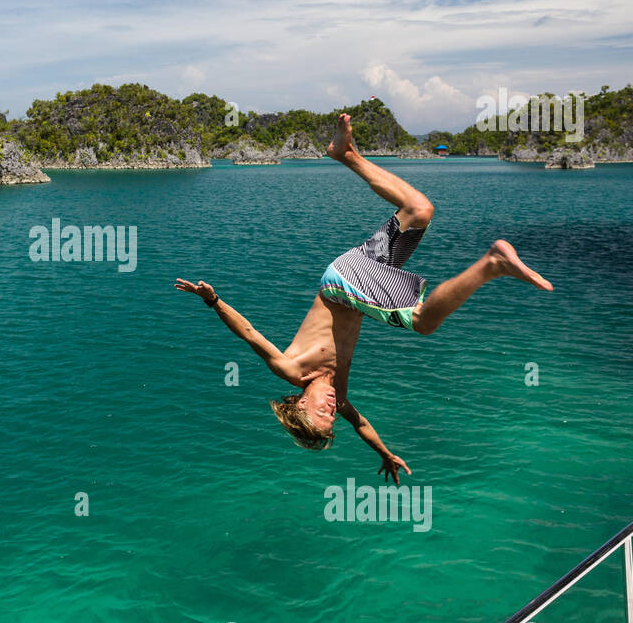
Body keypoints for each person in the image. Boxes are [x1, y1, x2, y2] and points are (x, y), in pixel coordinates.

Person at [175, 113, 553, 483]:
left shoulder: (292, 370)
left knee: (421, 322)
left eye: (320, 412)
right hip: (354, 270)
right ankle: (347, 155)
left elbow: (249, 333)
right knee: (420, 211)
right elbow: (362, 424)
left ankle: (493, 262)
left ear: (300, 402)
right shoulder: (338, 396)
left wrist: (213, 300)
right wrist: (384, 453)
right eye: (331, 417)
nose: (330, 409)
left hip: (342, 285)